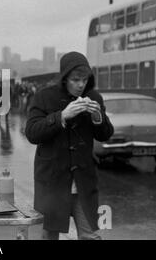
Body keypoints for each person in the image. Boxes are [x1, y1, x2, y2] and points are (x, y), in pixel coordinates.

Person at [25, 51, 114, 240]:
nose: (81, 84)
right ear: (65, 78)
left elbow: (105, 134)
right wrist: (61, 116)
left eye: (84, 79)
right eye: (75, 79)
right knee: (48, 234)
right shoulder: (44, 96)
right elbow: (32, 133)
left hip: (83, 182)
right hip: (52, 183)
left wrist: (98, 118)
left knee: (90, 235)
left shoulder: (94, 97)